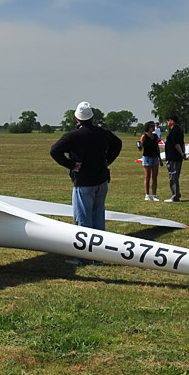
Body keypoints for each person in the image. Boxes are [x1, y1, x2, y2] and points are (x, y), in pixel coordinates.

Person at [50, 101, 122, 265]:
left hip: (83, 182)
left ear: (77, 118)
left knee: (83, 220)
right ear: (92, 117)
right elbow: (118, 144)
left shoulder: (73, 136)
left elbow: (54, 151)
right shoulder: (102, 133)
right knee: (98, 218)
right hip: (102, 180)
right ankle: (99, 256)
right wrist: (107, 160)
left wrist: (71, 165)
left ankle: (84, 256)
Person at [163, 115, 185, 202]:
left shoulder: (175, 131)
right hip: (175, 157)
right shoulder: (177, 130)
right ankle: (176, 193)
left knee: (173, 176)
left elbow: (177, 144)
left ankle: (175, 196)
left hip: (174, 157)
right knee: (174, 176)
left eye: (168, 120)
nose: (167, 122)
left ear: (172, 121)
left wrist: (182, 153)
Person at [140, 121, 161, 201]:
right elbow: (141, 147)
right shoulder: (144, 136)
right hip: (147, 157)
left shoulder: (155, 136)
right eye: (152, 126)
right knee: (147, 176)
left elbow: (157, 147)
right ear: (148, 128)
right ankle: (147, 194)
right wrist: (139, 146)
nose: (153, 128)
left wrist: (159, 158)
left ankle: (154, 195)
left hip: (155, 157)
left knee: (155, 176)